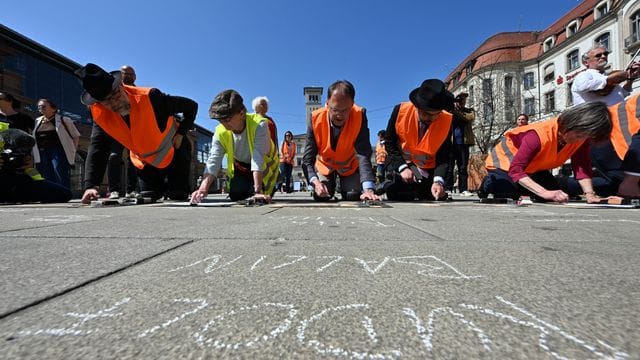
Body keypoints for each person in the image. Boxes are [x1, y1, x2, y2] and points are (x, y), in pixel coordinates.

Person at [76, 63, 197, 204]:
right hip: (146, 162)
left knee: (178, 196)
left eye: (115, 94)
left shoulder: (151, 97)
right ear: (98, 103)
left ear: (121, 86)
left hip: (175, 151)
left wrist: (181, 133)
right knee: (150, 196)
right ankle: (162, 187)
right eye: (106, 101)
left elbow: (191, 106)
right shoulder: (100, 115)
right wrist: (91, 185)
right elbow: (98, 148)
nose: (115, 103)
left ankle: (176, 187)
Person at [479, 101, 612, 203]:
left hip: (532, 169)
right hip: (504, 165)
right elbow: (516, 170)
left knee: (554, 193)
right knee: (508, 194)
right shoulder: (537, 136)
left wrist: (590, 194)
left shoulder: (580, 137)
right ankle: (488, 183)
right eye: (579, 135)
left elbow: (582, 166)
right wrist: (543, 192)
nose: (581, 140)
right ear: (572, 124)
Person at [191, 90, 279, 203]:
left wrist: (258, 192)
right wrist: (202, 189)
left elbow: (258, 158)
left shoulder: (259, 124)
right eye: (220, 120)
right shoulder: (220, 131)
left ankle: (264, 187)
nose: (224, 124)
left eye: (227, 119)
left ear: (241, 113)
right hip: (242, 167)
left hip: (264, 168)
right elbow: (214, 160)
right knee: (237, 194)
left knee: (260, 196)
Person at [302, 80, 379, 202]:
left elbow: (363, 152)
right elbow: (307, 159)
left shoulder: (359, 115)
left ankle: (345, 187)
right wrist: (315, 182)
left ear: (352, 104)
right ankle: (329, 185)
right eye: (335, 109)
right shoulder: (315, 118)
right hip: (325, 167)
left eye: (345, 110)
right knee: (322, 195)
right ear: (327, 103)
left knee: (353, 196)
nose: (339, 115)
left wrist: (368, 189)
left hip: (348, 168)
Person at [378, 79, 454, 201]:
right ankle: (387, 184)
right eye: (426, 113)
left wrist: (438, 181)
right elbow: (389, 142)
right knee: (396, 192)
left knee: (429, 194)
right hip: (402, 164)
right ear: (417, 106)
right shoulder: (400, 111)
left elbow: (444, 155)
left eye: (435, 114)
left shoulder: (446, 120)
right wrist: (403, 167)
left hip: (425, 169)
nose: (430, 118)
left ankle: (418, 187)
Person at [0, 124, 72, 203]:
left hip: (18, 178)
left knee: (64, 194)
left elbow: (32, 171)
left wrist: (29, 165)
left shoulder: (11, 132)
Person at [106, 65, 140, 199]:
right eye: (126, 73)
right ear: (120, 75)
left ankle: (131, 189)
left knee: (134, 160)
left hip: (134, 129)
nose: (129, 76)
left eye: (132, 74)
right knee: (114, 156)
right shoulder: (114, 90)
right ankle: (114, 189)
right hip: (118, 129)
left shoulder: (138, 91)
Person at [33, 98, 80, 188]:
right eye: (39, 107)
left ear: (53, 108)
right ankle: (50, 194)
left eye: (43, 106)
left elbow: (75, 135)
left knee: (59, 171)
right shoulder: (37, 121)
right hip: (42, 151)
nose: (40, 109)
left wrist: (73, 149)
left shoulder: (64, 120)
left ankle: (63, 193)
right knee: (45, 173)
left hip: (58, 151)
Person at [571, 45, 640, 106]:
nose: (603, 56)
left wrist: (630, 78)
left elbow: (621, 94)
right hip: (595, 118)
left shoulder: (607, 75)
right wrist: (610, 79)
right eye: (598, 55)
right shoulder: (583, 75)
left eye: (605, 54)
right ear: (586, 62)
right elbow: (583, 86)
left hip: (616, 115)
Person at [447, 92, 475, 195]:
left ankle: (463, 189)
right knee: (449, 167)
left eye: (463, 100)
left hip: (464, 143)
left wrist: (456, 111)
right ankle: (448, 188)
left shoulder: (469, 111)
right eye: (459, 99)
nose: (462, 101)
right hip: (451, 143)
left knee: (463, 167)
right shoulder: (450, 111)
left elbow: (469, 118)